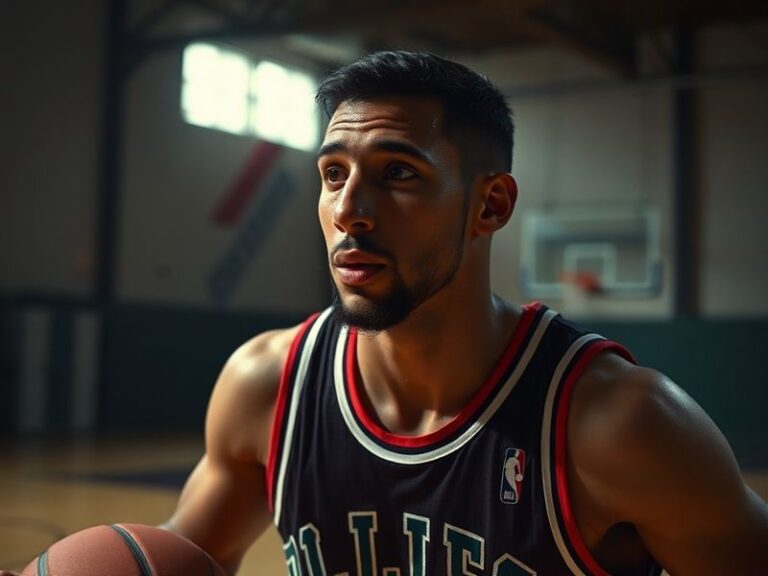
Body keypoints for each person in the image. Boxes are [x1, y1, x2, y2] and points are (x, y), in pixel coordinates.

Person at [5, 50, 767, 576]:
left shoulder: (620, 426)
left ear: (490, 204)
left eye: (397, 174)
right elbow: (173, 559)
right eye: (333, 175)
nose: (350, 210)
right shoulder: (268, 386)